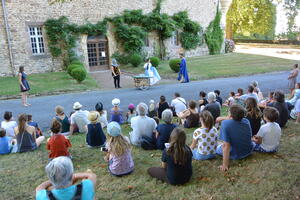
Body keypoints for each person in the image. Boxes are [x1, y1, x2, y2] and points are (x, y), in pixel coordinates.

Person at [217, 105, 253, 171]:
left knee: (218, 147)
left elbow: (226, 146)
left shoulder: (225, 123)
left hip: (236, 154)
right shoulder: (246, 121)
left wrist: (225, 164)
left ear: (230, 115)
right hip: (248, 150)